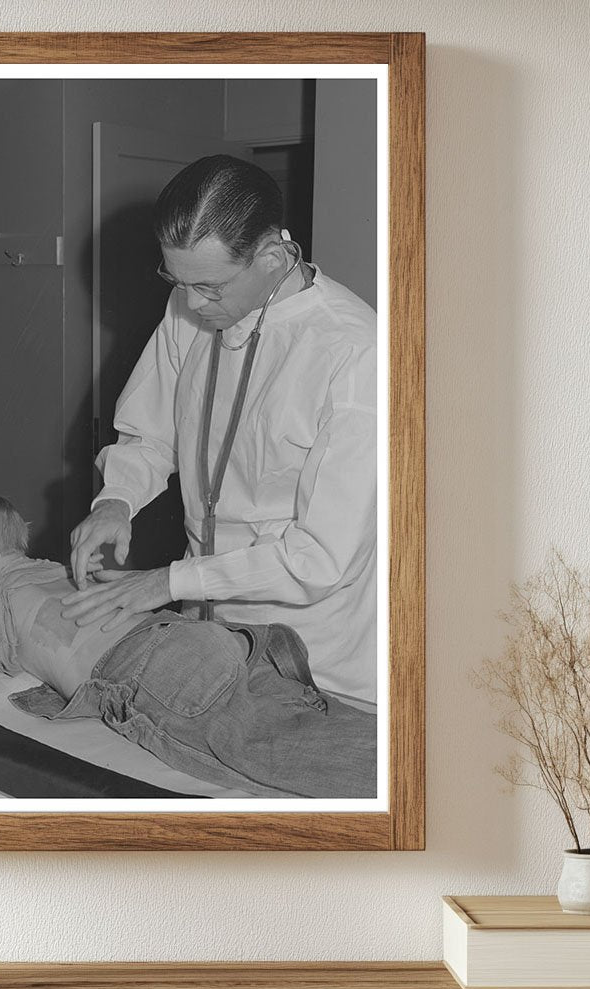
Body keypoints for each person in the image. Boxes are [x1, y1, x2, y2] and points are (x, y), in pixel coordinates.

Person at [63, 155, 377, 707]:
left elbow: (320, 558)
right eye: (176, 281)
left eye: (209, 286)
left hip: (314, 651)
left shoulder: (355, 354)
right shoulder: (191, 306)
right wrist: (116, 500)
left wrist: (166, 583)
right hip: (208, 629)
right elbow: (150, 432)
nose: (191, 304)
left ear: (273, 257)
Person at [0, 487, 375, 798]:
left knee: (287, 762)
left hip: (158, 674)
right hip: (209, 639)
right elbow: (47, 633)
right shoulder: (48, 572)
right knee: (324, 736)